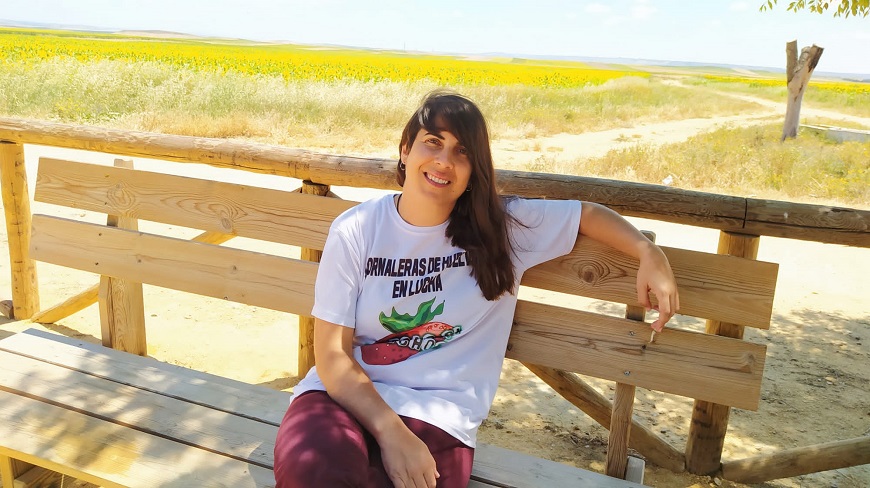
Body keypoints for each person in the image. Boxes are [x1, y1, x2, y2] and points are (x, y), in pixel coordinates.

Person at [273, 90, 679, 488]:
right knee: (315, 474)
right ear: (404, 150)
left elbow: (586, 215)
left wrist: (648, 251)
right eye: (433, 142)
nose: (444, 161)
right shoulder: (358, 229)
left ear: (473, 170)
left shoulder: (503, 228)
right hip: (343, 397)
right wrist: (390, 432)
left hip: (439, 415)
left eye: (462, 151)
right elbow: (331, 356)